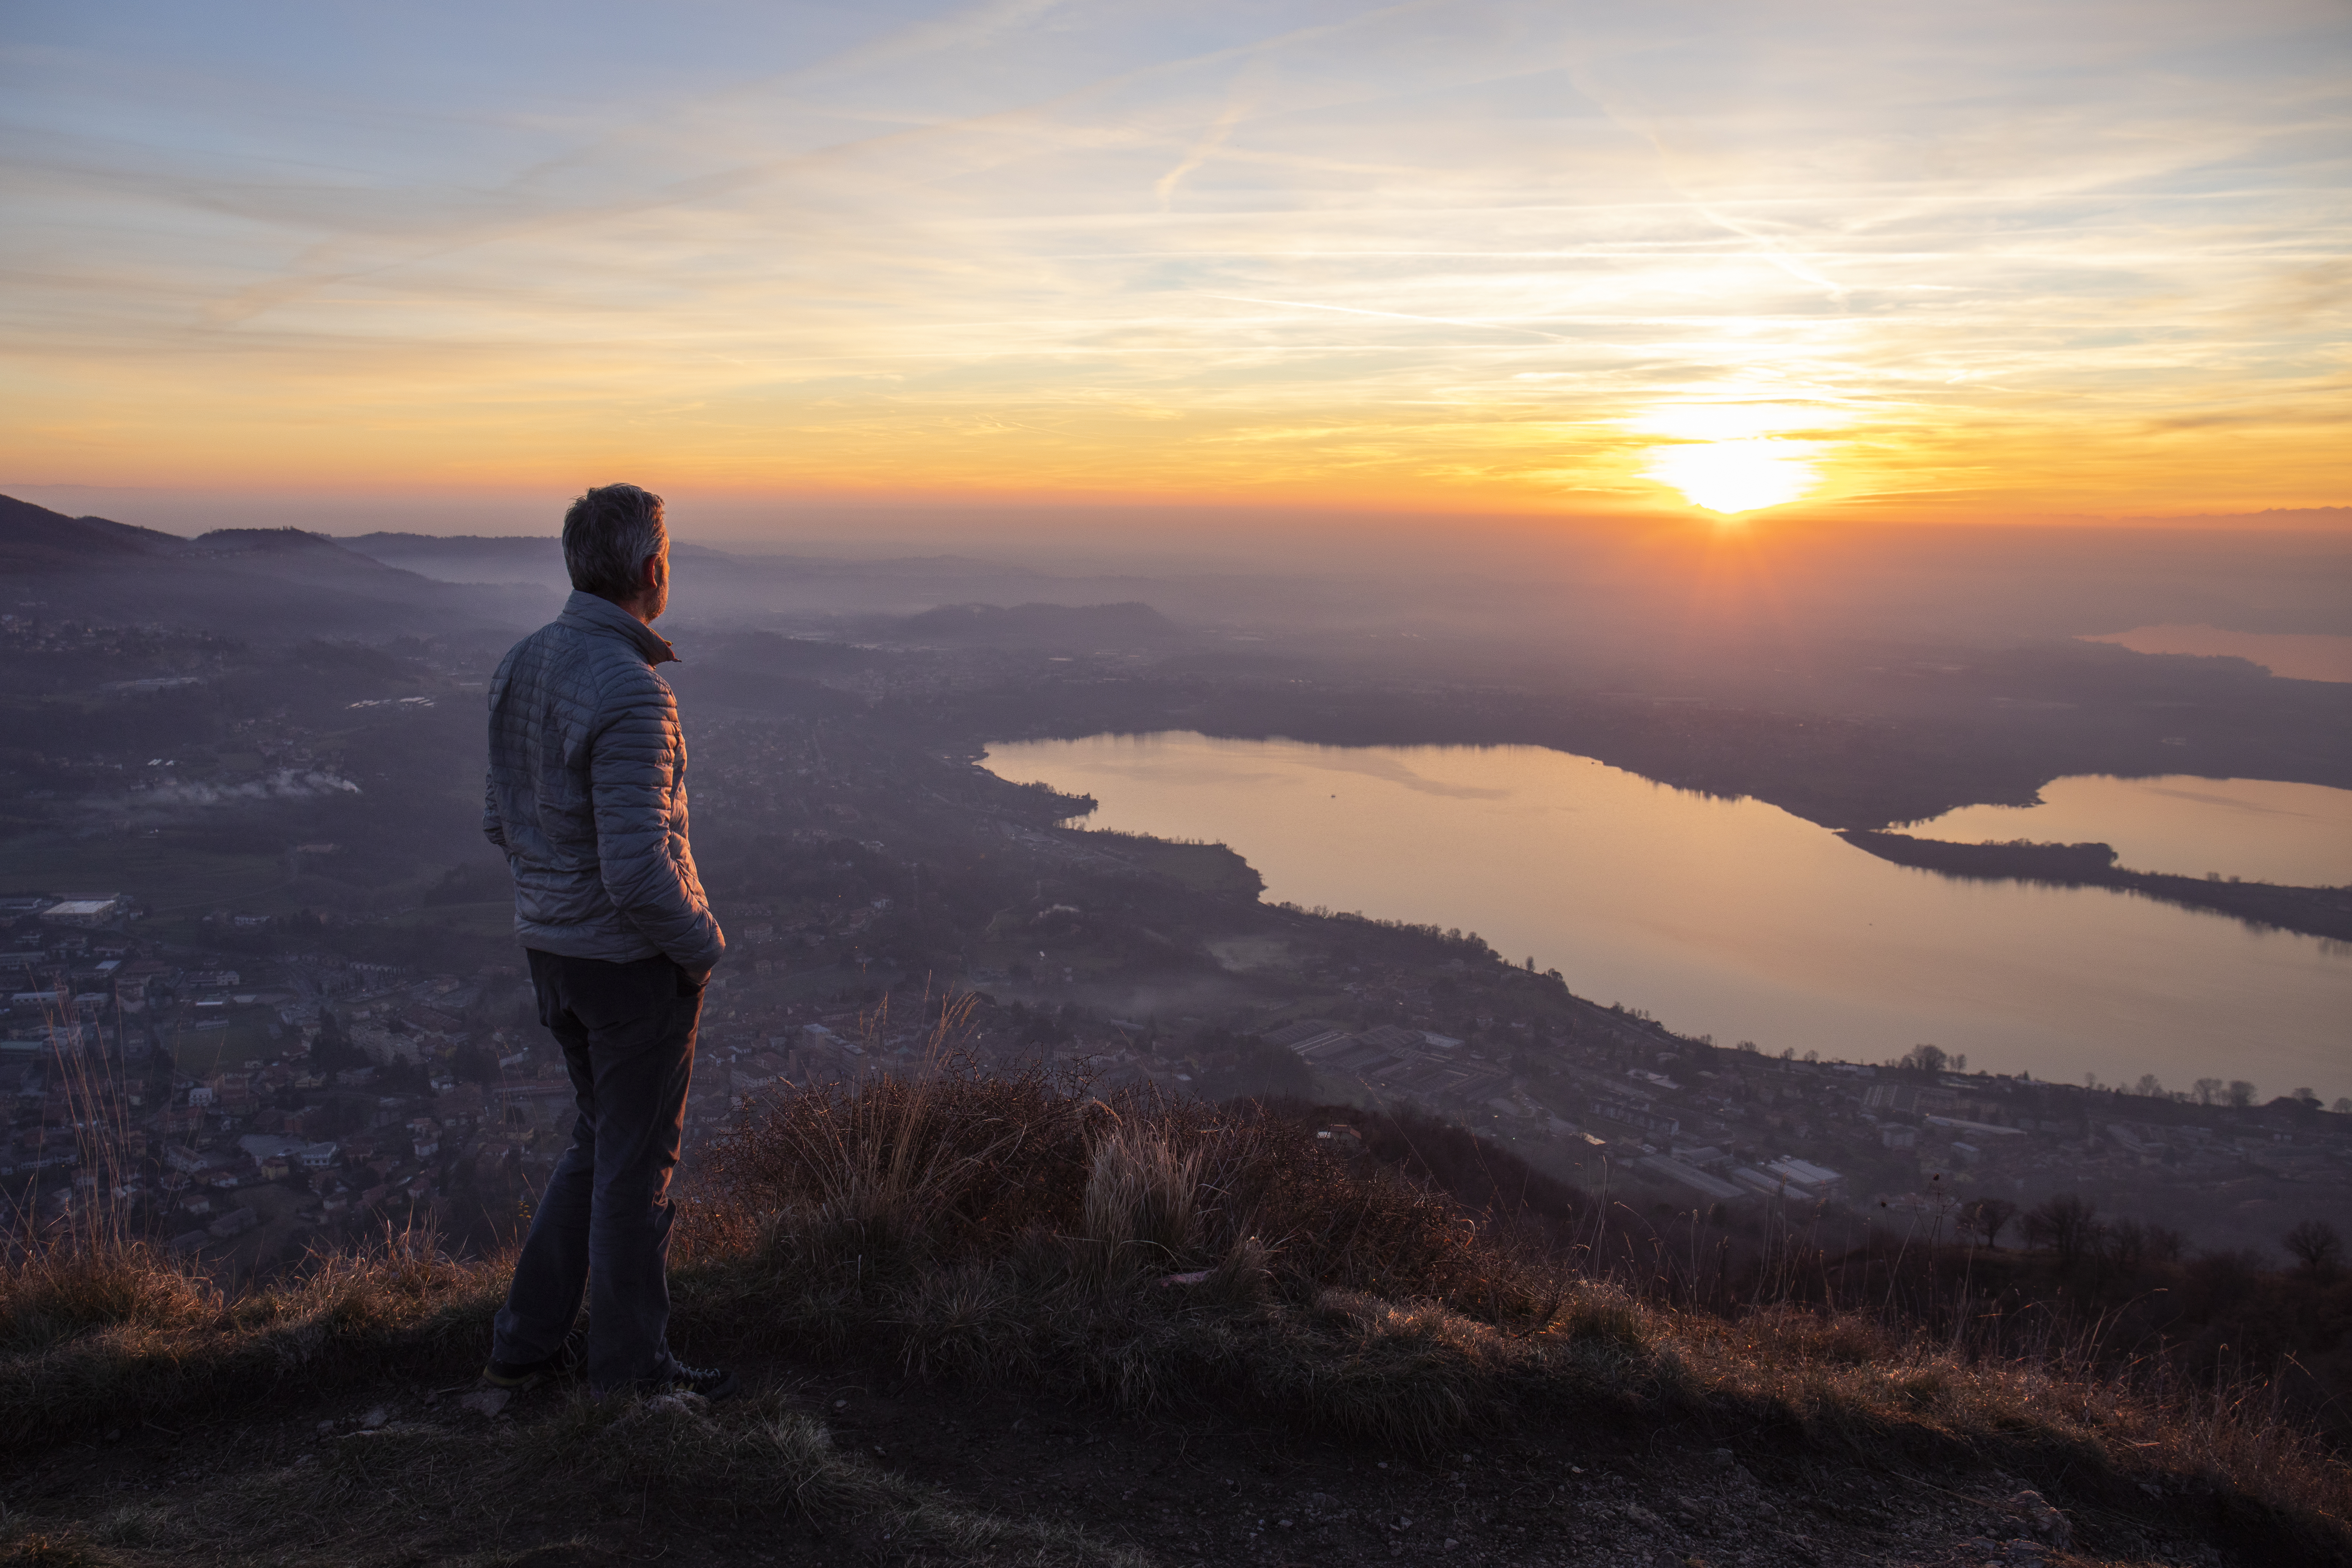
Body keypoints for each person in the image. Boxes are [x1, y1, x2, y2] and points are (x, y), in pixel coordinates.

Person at [477, 482, 732, 1399]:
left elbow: (500, 819)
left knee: (597, 1146)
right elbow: (635, 870)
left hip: (553, 952)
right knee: (635, 1173)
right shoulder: (633, 692)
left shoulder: (520, 664)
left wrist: (552, 896)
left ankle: (524, 1342)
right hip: (631, 966)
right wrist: (701, 946)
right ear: (651, 568)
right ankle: (633, 1377)